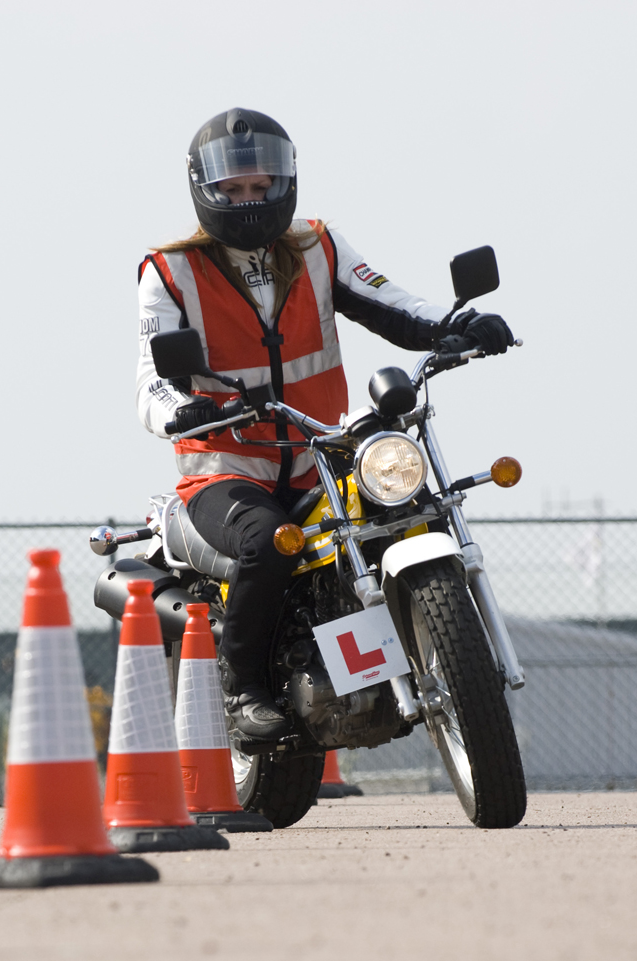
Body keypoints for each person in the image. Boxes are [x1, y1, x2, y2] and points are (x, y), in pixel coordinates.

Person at [136, 108, 512, 741]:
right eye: (234, 188)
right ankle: (243, 689)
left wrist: (457, 325)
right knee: (267, 541)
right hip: (225, 472)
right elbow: (150, 381)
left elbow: (394, 303)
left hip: (320, 459)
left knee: (407, 505)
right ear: (205, 188)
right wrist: (183, 409)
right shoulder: (170, 273)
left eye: (261, 186)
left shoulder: (317, 246)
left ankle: (440, 656)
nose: (249, 199)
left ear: (285, 182)